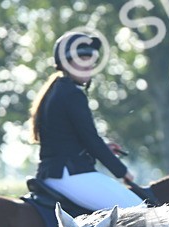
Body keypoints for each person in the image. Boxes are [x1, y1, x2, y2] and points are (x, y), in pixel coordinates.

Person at [29, 31, 144, 211]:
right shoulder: (72, 94)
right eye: (82, 58)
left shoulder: (56, 90)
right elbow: (91, 140)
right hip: (69, 174)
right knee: (139, 210)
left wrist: (105, 148)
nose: (89, 64)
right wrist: (122, 172)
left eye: (90, 59)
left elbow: (71, 139)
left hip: (56, 173)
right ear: (66, 63)